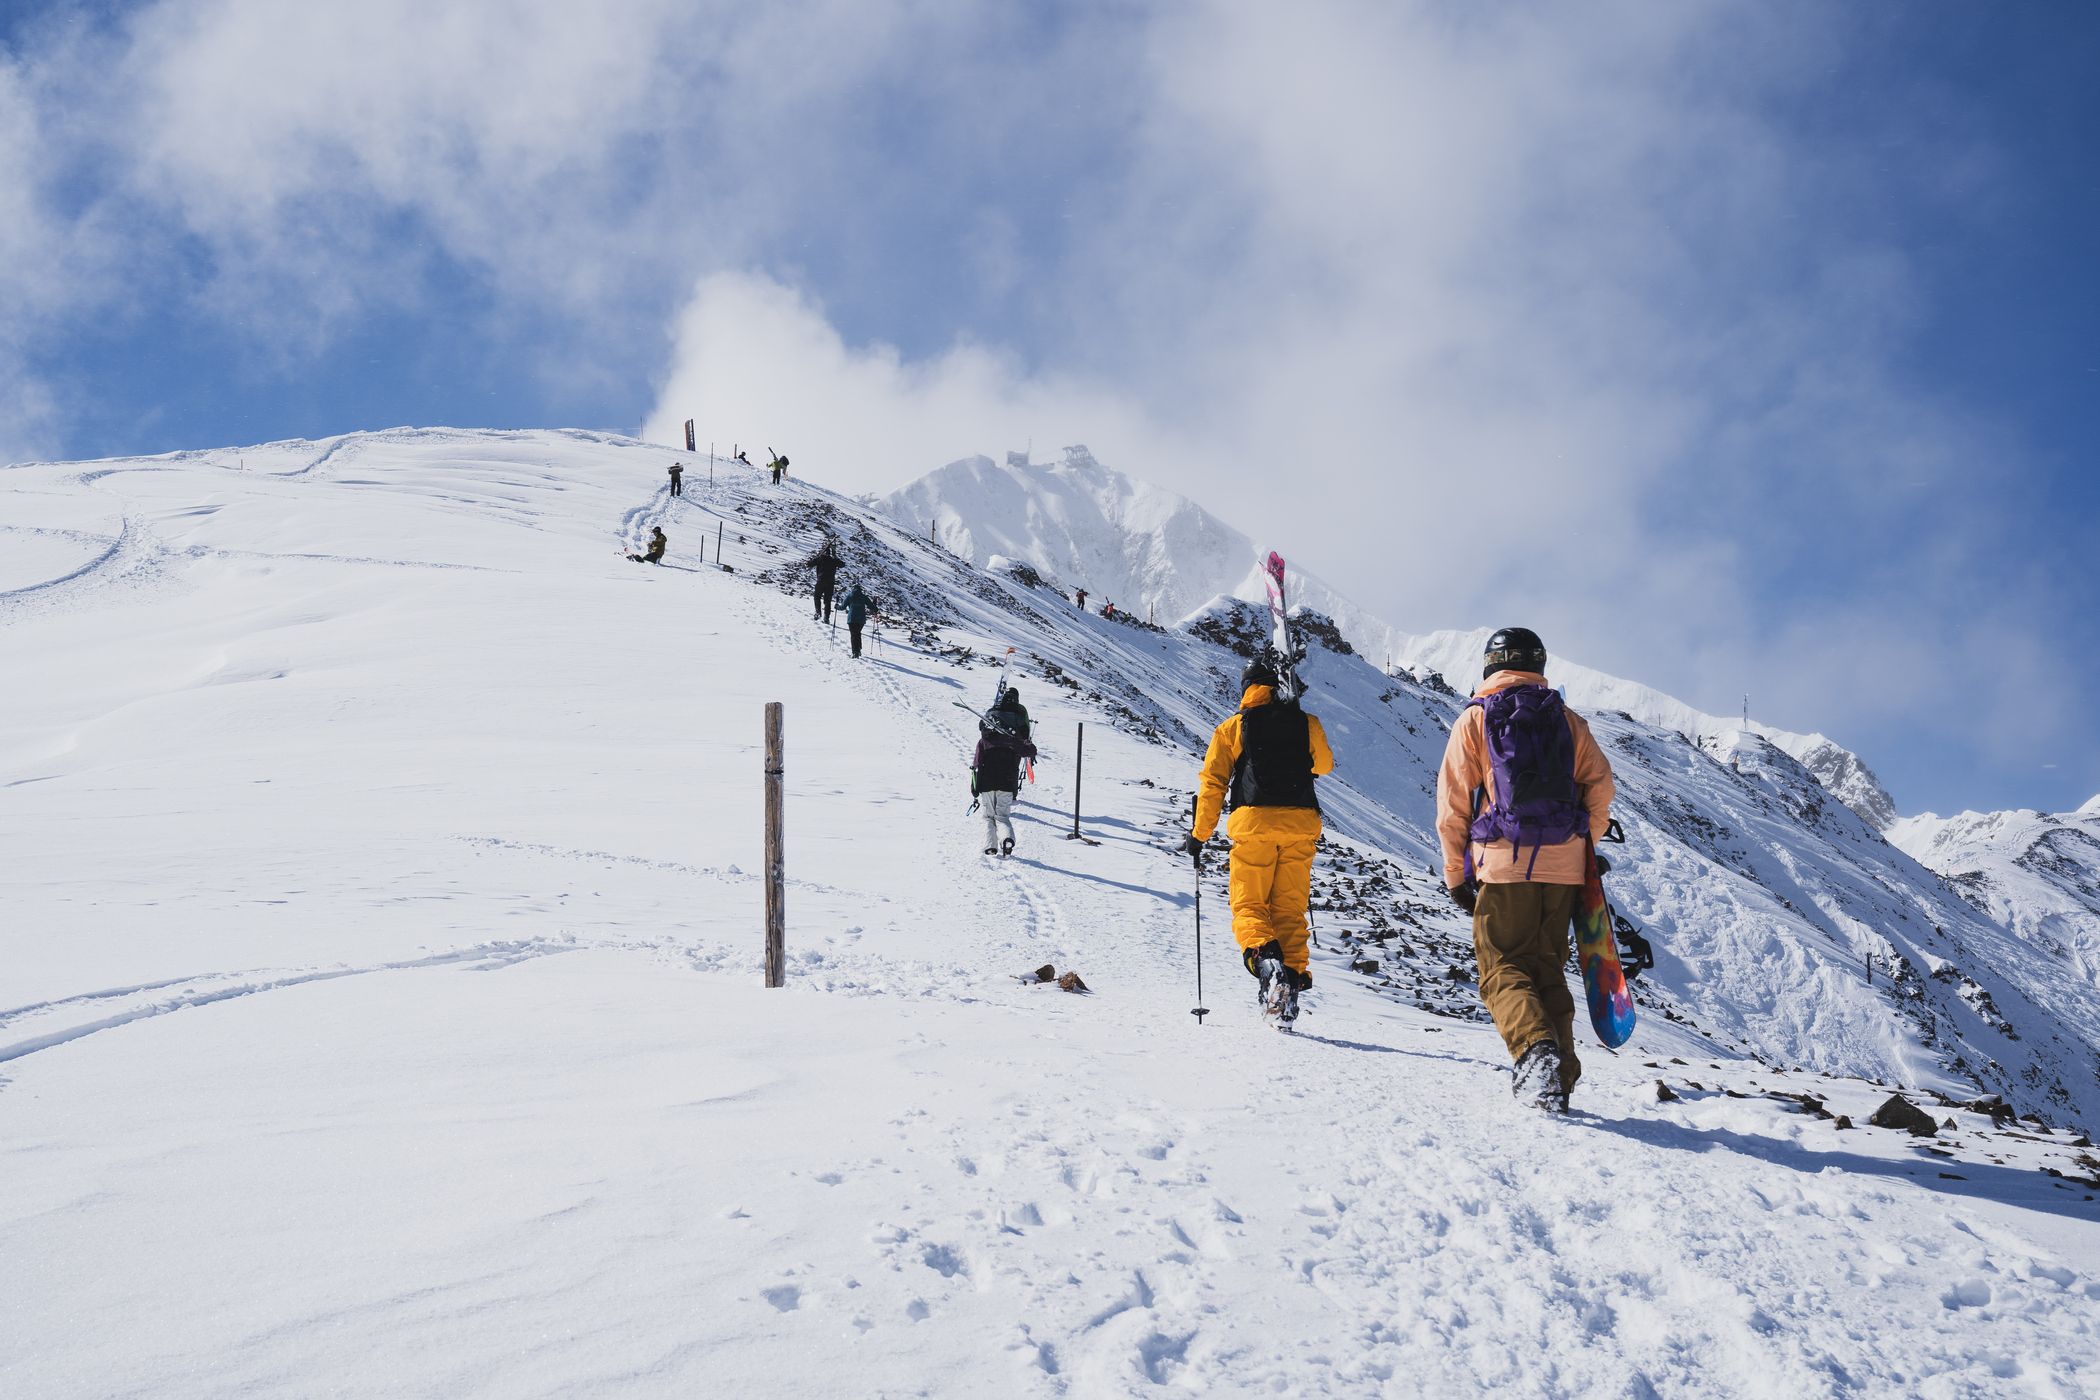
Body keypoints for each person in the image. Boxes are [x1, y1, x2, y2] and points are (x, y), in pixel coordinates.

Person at [1435, 627, 1615, 1113]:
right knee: (1546, 969)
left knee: (1501, 969)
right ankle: (1559, 1080)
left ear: (1490, 665)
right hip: (1564, 868)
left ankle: (1535, 1054)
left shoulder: (1475, 720)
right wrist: (1581, 846)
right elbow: (1601, 790)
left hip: (1504, 864)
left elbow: (1452, 806)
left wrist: (1457, 873)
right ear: (1538, 665)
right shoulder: (1569, 722)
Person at [1182, 654, 1334, 1024]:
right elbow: (1324, 765)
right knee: (1289, 911)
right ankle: (1292, 984)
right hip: (1300, 825)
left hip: (1254, 825)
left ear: (1248, 687)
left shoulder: (1233, 727)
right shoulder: (1306, 722)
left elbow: (1214, 783)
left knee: (1250, 907)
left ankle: (1268, 964)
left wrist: (1199, 834)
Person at [971, 688, 1037, 856]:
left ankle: (990, 847)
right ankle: (1007, 839)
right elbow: (1030, 752)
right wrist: (1026, 743)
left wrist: (974, 786)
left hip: (986, 781)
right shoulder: (1014, 741)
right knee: (1002, 817)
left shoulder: (984, 740)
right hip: (1007, 781)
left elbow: (976, 763)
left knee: (988, 817)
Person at [806, 539, 843, 622]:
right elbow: (842, 564)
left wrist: (810, 562)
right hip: (830, 583)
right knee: (827, 600)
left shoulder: (820, 558)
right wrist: (835, 555)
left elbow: (809, 564)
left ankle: (818, 612)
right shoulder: (833, 560)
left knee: (817, 597)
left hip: (821, 580)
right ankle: (826, 617)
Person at [843, 582, 876, 658]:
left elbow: (843, 607)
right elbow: (871, 605)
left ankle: (855, 652)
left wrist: (837, 606)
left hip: (852, 619)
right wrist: (876, 609)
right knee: (857, 633)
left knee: (854, 635)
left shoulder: (850, 596)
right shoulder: (863, 596)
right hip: (861, 619)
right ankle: (859, 649)